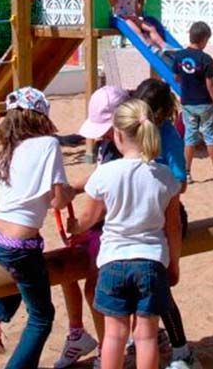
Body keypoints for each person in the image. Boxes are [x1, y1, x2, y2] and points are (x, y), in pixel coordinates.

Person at [68, 99, 183, 369]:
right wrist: (174, 264)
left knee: (114, 335)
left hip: (113, 261)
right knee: (146, 336)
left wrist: (75, 227)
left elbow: (89, 218)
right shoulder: (165, 176)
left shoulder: (105, 173)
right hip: (151, 261)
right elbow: (173, 227)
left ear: (117, 134)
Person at [0, 86, 76, 368]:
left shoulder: (8, 149)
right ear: (41, 117)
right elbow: (56, 200)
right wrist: (71, 192)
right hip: (19, 245)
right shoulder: (48, 144)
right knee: (42, 316)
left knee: (23, 276)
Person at [53, 86, 130, 369]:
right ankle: (78, 332)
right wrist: (74, 188)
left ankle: (105, 349)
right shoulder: (109, 145)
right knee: (65, 267)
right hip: (101, 225)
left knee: (95, 291)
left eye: (106, 129)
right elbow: (100, 177)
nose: (102, 135)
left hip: (112, 228)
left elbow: (107, 199)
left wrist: (80, 225)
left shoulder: (126, 151)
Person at [132, 78, 195, 369]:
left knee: (159, 289)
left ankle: (181, 350)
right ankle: (150, 333)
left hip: (162, 216)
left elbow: (180, 183)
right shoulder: (134, 129)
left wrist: (154, 182)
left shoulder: (167, 135)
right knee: (139, 286)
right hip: (138, 216)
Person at [171, 21, 213, 184]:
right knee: (210, 137)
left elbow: (176, 77)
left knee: (189, 136)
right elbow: (210, 84)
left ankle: (186, 173)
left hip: (187, 103)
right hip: (205, 103)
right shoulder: (206, 60)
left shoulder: (179, 56)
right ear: (204, 39)